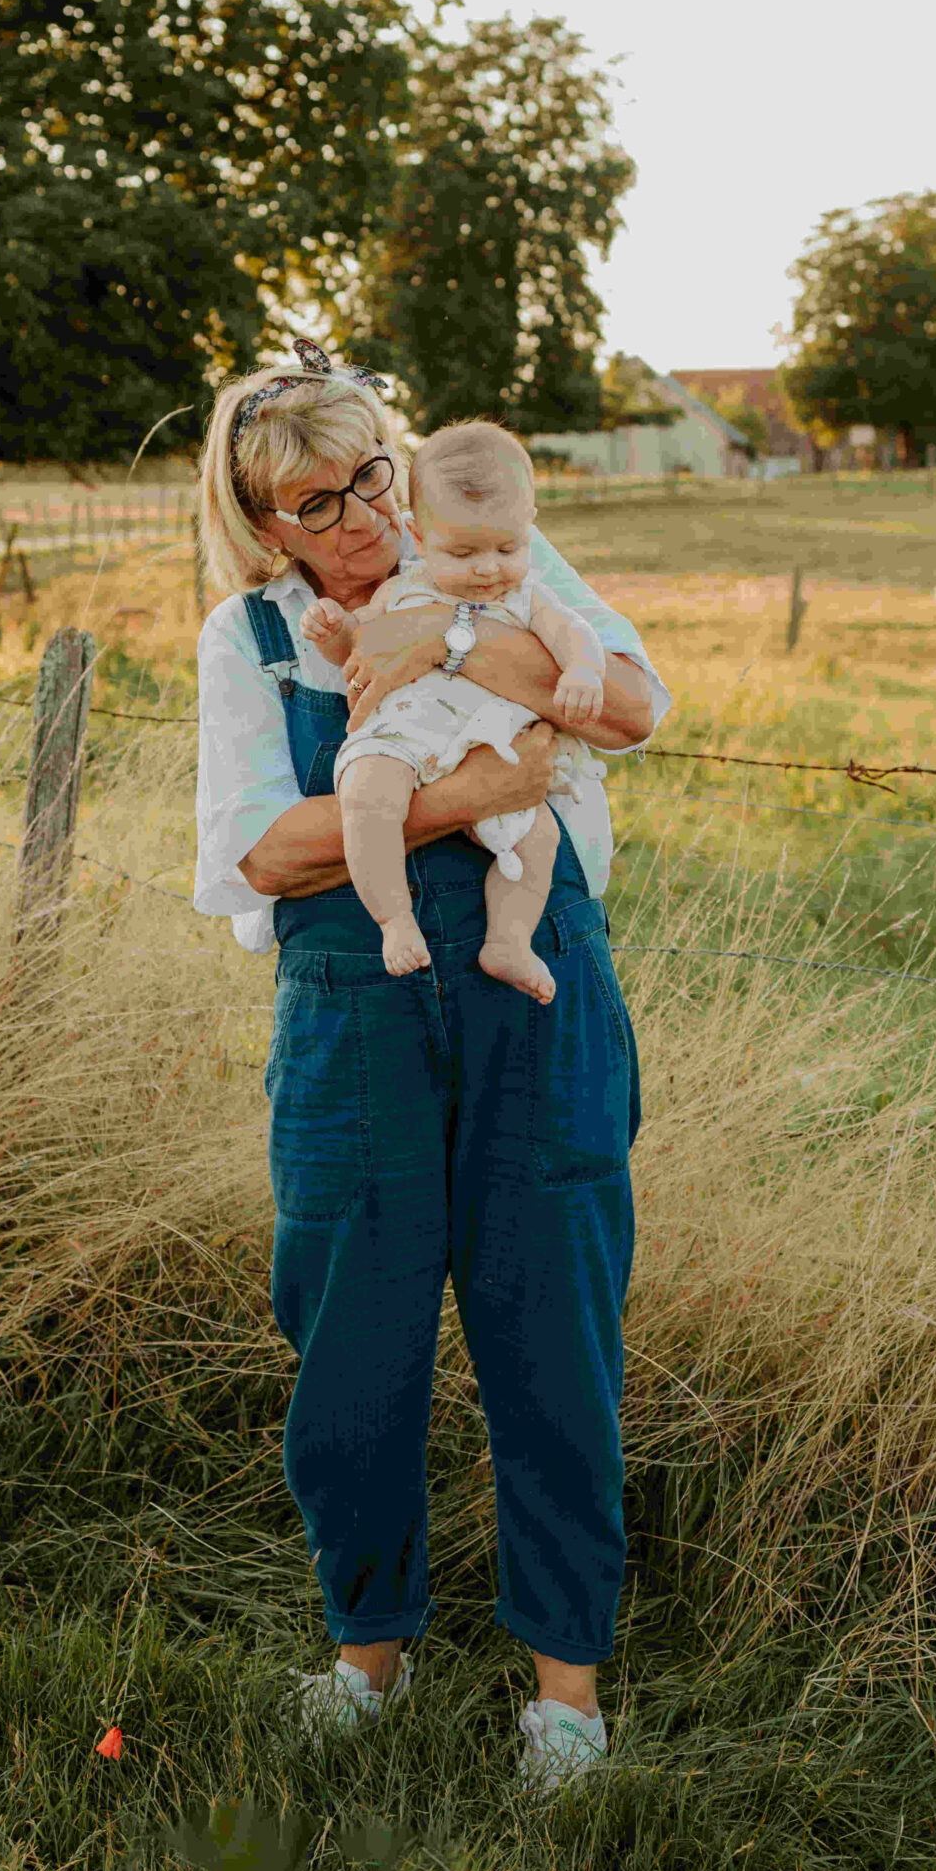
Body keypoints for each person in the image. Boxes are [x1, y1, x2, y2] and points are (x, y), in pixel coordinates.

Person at [191, 340, 672, 1797]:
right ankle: (366, 1652)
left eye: (367, 478)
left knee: (552, 1330)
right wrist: (458, 791)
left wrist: (448, 646)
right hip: (352, 1008)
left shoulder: (500, 553)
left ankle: (565, 1693)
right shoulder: (250, 641)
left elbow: (638, 703)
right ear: (260, 523)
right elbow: (251, 856)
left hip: (536, 992)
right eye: (311, 503)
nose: (355, 520)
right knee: (349, 1337)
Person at [303, 418, 609, 1002]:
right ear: (419, 538)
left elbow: (575, 635)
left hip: (492, 742)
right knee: (367, 797)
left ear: (529, 530)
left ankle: (509, 942)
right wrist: (334, 633)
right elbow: (358, 650)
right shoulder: (402, 592)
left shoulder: (527, 596)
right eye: (463, 552)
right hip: (404, 735)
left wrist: (583, 670)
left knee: (537, 838)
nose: (488, 568)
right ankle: (394, 918)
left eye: (506, 547)